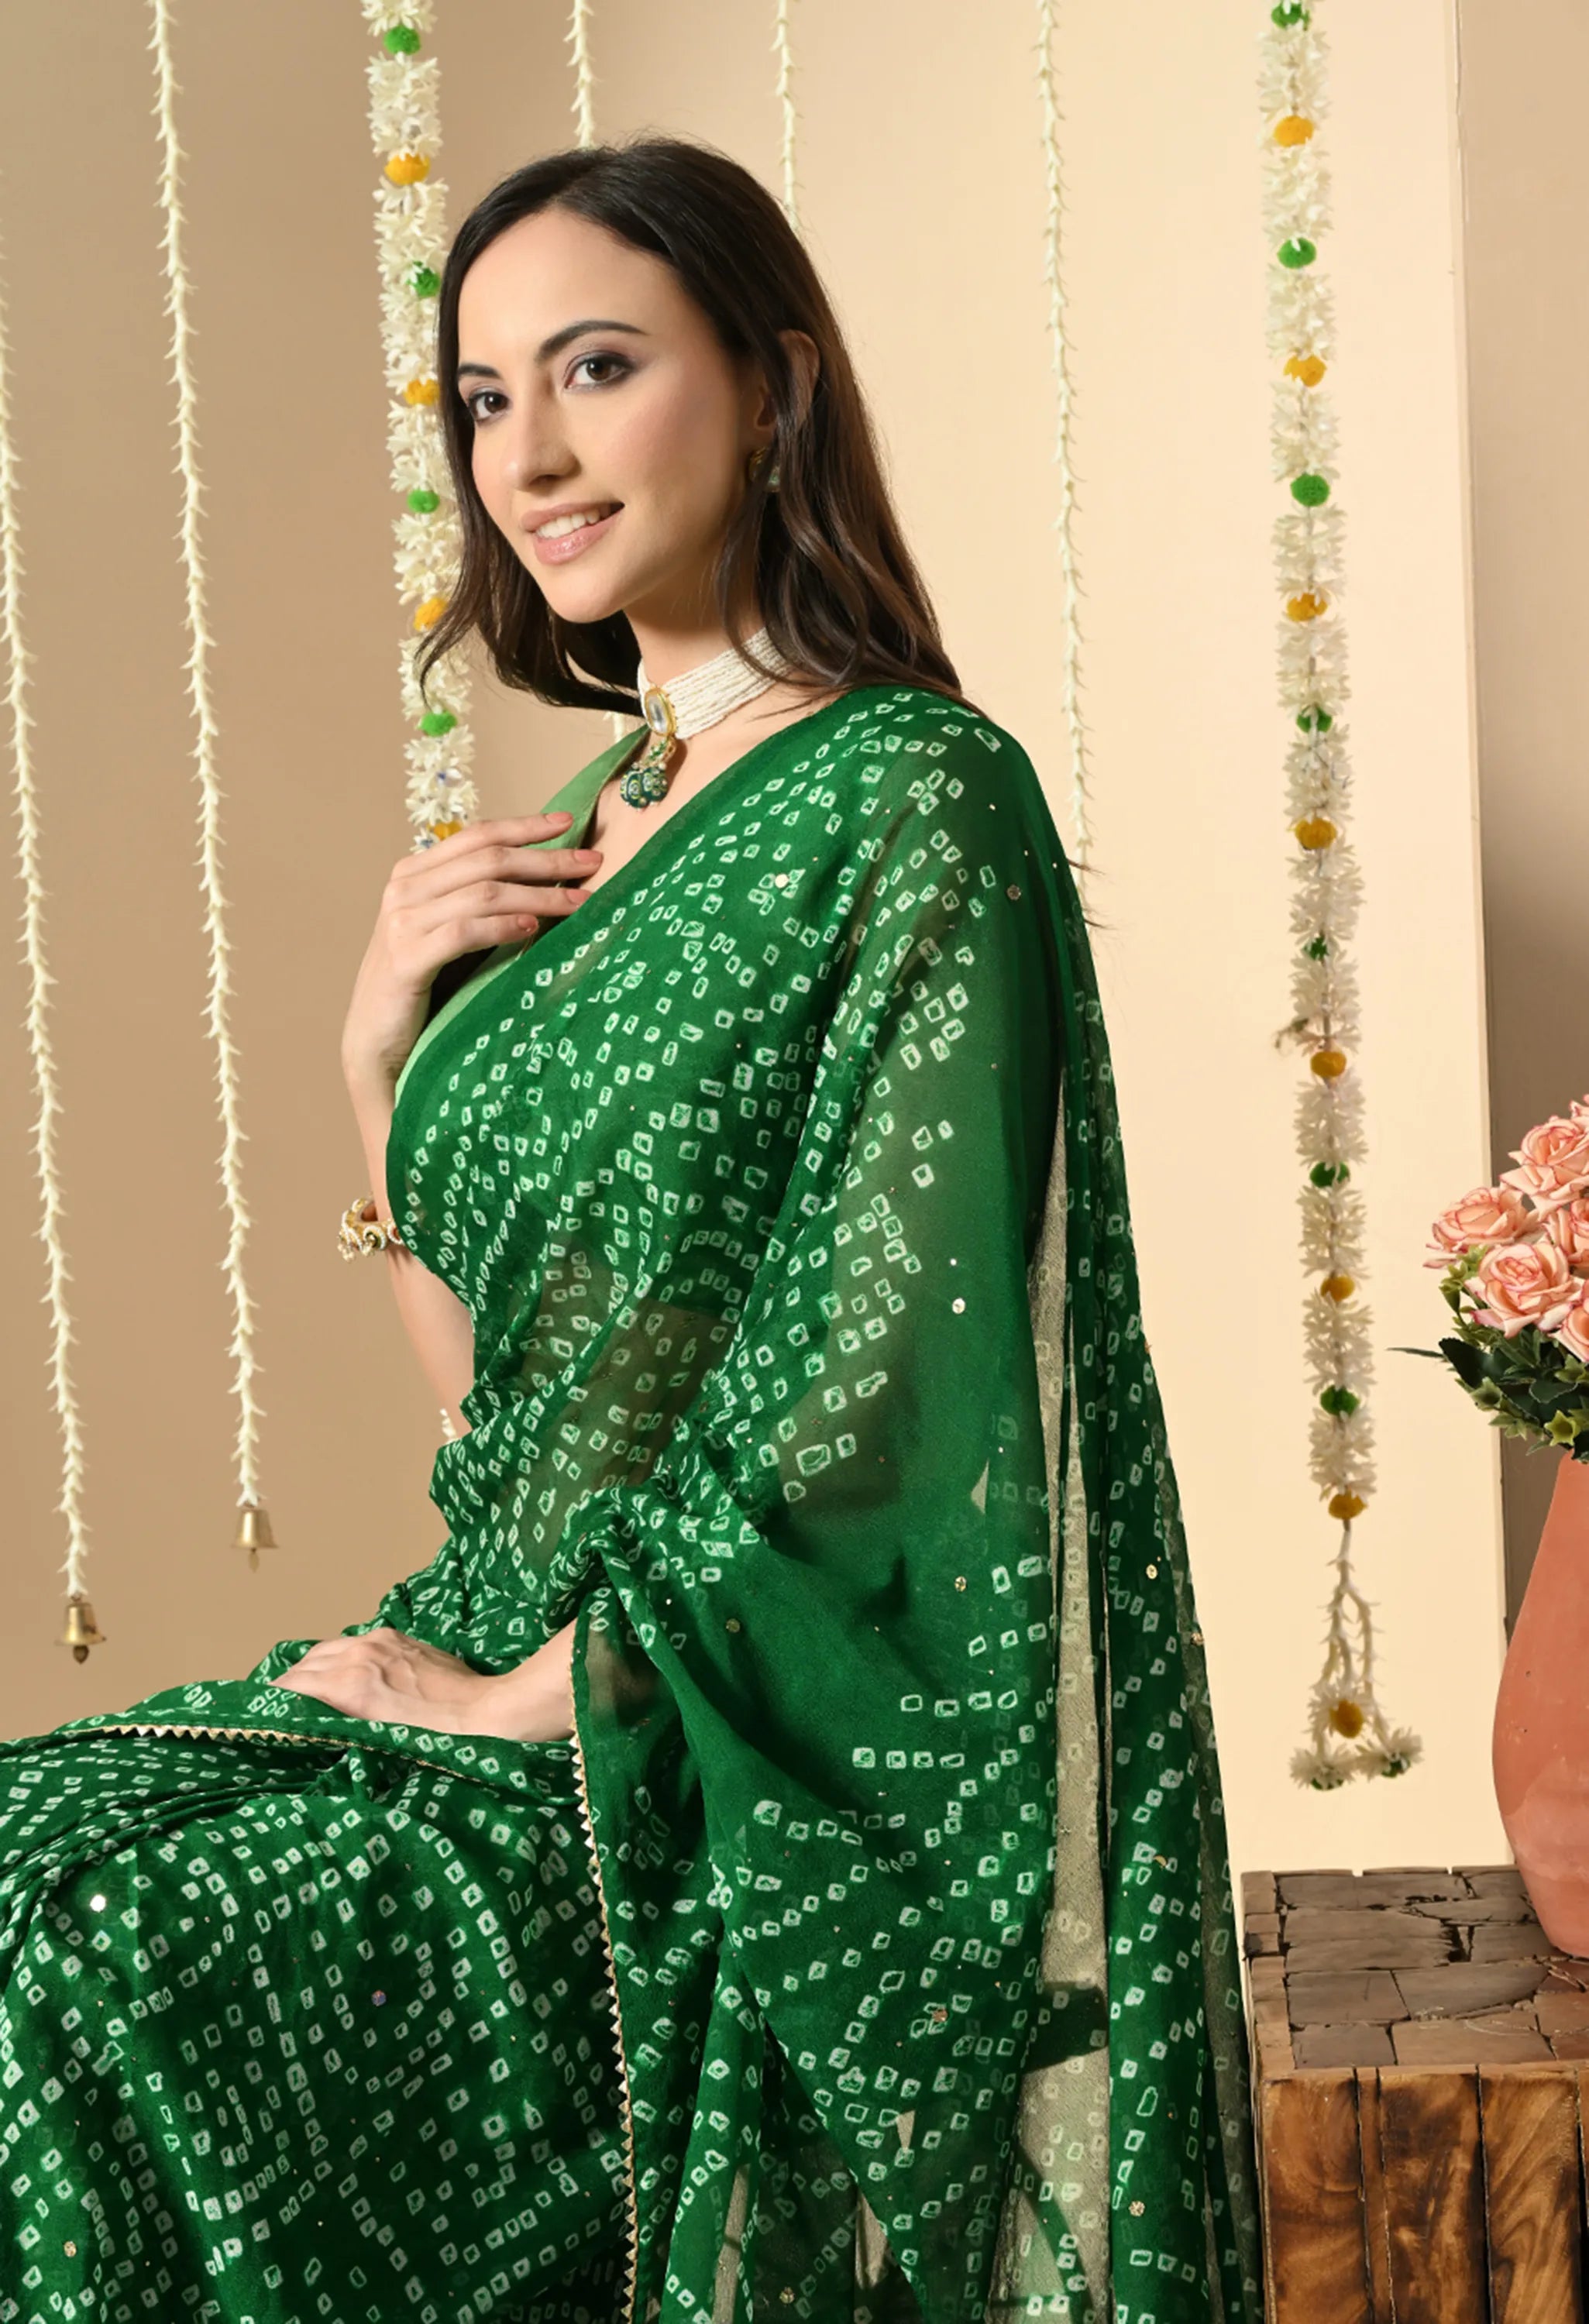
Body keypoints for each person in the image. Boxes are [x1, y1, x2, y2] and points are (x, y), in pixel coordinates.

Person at [0, 136, 1262, 2324]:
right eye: (483, 399)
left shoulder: (904, 797)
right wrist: (374, 1070)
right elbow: (511, 1395)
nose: (530, 453)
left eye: (593, 368)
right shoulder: (592, 825)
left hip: (699, 1759)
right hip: (465, 1643)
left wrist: (515, 1708)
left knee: (71, 1996)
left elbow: (885, 1416)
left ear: (771, 389)